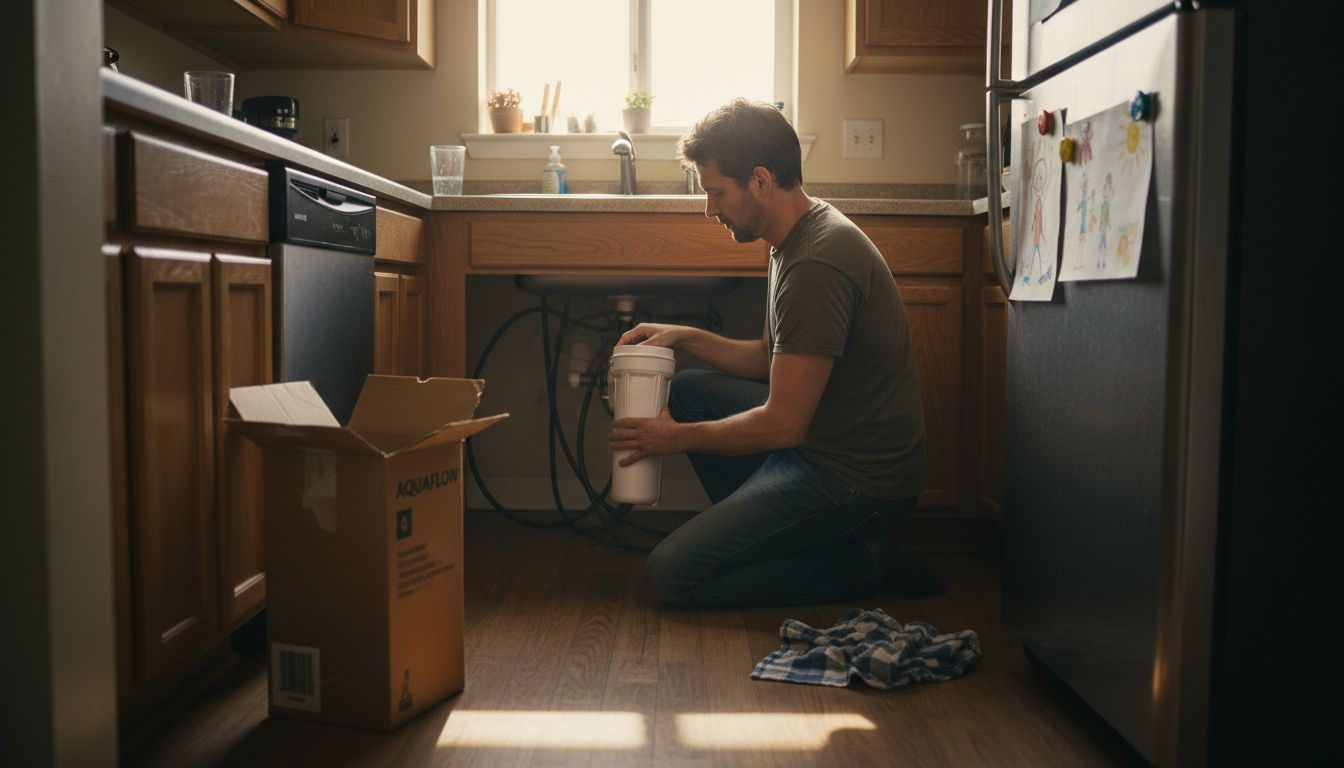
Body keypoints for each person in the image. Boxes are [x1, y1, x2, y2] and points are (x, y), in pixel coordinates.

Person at [609, 98, 943, 608]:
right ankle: (767, 536)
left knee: (673, 575)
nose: (709, 209)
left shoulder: (816, 263)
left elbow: (783, 423)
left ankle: (867, 561)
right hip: (818, 448)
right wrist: (686, 335)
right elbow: (772, 360)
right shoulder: (790, 237)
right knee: (691, 391)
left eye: (717, 192)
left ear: (760, 181)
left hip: (859, 482)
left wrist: (672, 439)